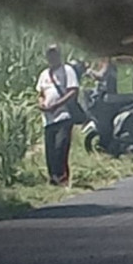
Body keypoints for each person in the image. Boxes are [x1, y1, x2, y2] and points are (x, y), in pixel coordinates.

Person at [36, 44, 79, 186]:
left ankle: (63, 178)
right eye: (49, 54)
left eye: (54, 54)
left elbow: (73, 91)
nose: (52, 57)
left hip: (63, 116)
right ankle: (53, 178)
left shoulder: (67, 70)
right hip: (48, 119)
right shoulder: (44, 74)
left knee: (61, 146)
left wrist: (57, 105)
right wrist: (42, 103)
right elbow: (41, 93)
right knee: (50, 150)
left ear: (59, 55)